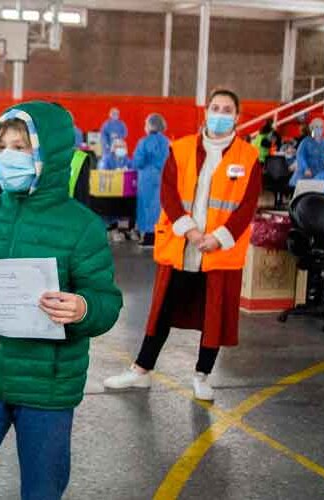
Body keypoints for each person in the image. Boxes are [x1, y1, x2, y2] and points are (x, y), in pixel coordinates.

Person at [0, 102, 123, 500]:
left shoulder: (82, 226)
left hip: (47, 391)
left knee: (42, 491)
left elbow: (106, 301)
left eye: (21, 147)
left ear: (49, 153)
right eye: (2, 146)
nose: (8, 156)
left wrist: (83, 308)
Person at [103, 89, 262, 401]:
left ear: (237, 116)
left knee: (213, 316)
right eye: (215, 107)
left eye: (227, 109)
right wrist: (189, 230)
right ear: (205, 112)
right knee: (161, 311)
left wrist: (218, 238)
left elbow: (247, 205)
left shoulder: (249, 156)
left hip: (220, 251)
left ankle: (203, 375)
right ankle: (141, 371)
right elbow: (169, 193)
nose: (220, 113)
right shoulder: (181, 148)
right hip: (183, 246)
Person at [132, 113, 170, 248]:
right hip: (163, 177)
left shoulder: (144, 142)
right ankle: (158, 235)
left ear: (150, 125)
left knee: (146, 206)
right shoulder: (166, 142)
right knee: (159, 207)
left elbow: (138, 162)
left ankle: (148, 236)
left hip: (147, 178)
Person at [290, 117, 324, 187]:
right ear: (312, 128)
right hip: (306, 172)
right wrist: (306, 168)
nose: (319, 129)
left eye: (321, 127)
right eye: (316, 127)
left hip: (320, 171)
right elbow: (300, 156)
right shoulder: (306, 141)